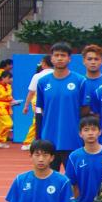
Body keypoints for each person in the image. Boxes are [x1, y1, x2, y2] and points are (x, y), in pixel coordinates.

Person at [37, 42, 86, 171]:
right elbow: (42, 109)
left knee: (74, 178)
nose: (59, 58)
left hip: (72, 139)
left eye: (63, 55)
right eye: (56, 55)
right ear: (51, 58)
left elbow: (84, 109)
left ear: (69, 59)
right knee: (49, 178)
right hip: (49, 140)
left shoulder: (80, 81)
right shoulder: (43, 82)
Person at [21, 55, 52, 149]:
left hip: (39, 107)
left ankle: (37, 146)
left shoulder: (38, 76)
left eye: (41, 62)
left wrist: (26, 106)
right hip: (55, 107)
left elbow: (31, 92)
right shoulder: (59, 75)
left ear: (44, 63)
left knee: (38, 126)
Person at [78, 44, 102, 109]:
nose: (93, 62)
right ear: (84, 61)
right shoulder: (79, 82)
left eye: (96, 59)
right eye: (89, 59)